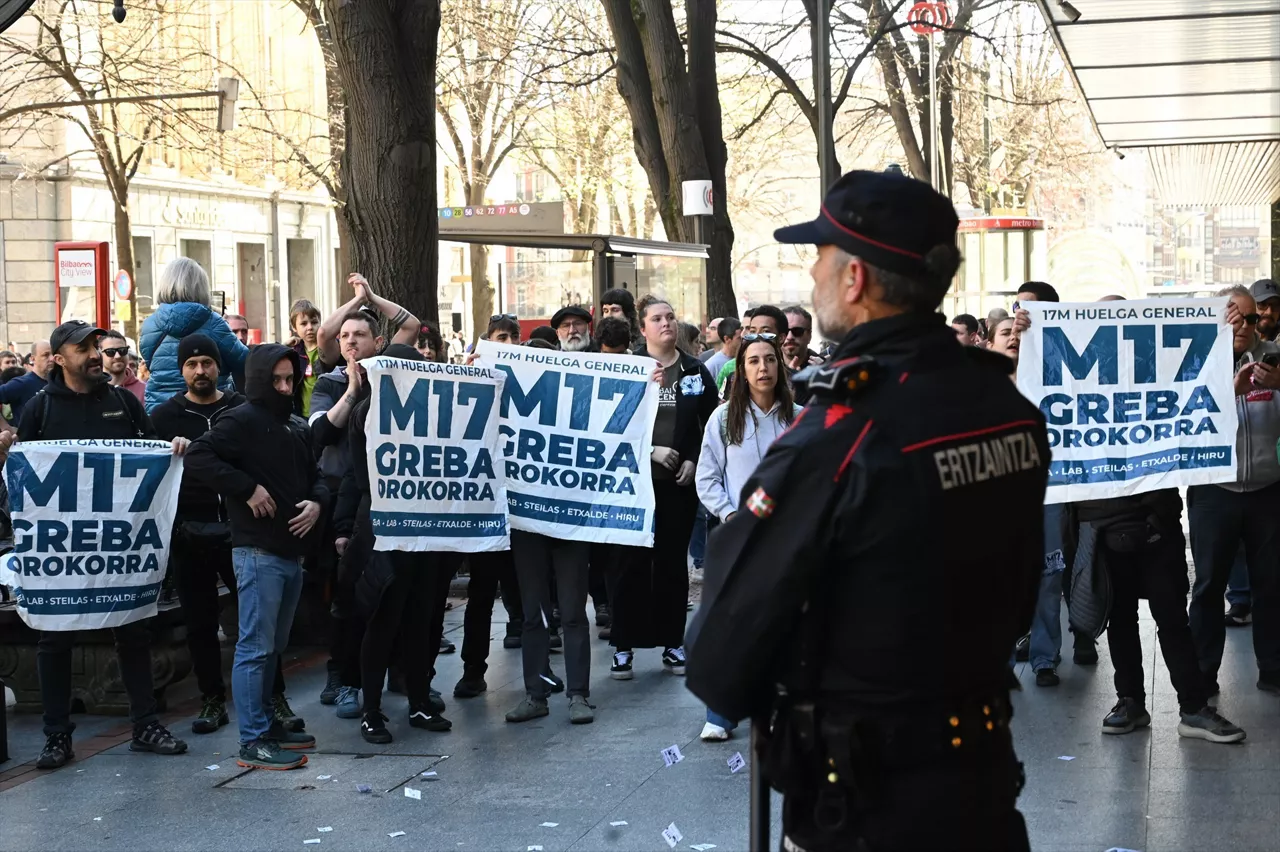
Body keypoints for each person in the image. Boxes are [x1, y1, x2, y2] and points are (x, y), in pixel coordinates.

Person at [687, 169, 1048, 852]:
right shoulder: (1005, 407)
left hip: (870, 800)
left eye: (822, 255)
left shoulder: (844, 435)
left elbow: (718, 655)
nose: (813, 271)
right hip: (982, 775)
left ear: (854, 279)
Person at [1, 320, 190, 769]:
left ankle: (145, 724)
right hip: (65, 549)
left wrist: (173, 451)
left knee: (132, 628)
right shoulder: (40, 409)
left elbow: (150, 457)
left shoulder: (123, 402)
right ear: (59, 358)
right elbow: (26, 481)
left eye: (96, 345)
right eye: (82, 347)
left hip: (116, 547)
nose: (94, 353)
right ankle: (56, 736)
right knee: (54, 637)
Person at [185, 344, 328, 770]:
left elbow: (315, 476)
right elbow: (198, 455)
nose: (284, 388)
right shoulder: (241, 420)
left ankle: (266, 724)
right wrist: (246, 488)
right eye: (276, 381)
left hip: (289, 553)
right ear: (259, 380)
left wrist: (317, 503)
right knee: (255, 647)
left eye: (290, 379)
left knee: (273, 646)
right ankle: (253, 738)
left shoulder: (295, 425)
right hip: (257, 551)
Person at [151, 334, 295, 735]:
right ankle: (212, 698)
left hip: (241, 532)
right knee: (199, 623)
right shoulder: (164, 417)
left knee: (259, 622)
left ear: (219, 367)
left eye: (207, 363)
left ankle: (274, 696)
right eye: (192, 364)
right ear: (181, 369)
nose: (200, 371)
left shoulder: (241, 409)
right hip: (190, 533)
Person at [694, 332, 799, 741]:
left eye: (769, 360)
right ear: (741, 369)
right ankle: (719, 715)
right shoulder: (722, 420)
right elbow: (707, 478)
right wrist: (730, 513)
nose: (762, 368)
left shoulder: (800, 417)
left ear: (780, 365)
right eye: (753, 361)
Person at [346, 344, 453, 742]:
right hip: (387, 535)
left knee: (421, 623)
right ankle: (371, 711)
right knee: (383, 623)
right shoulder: (366, 413)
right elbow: (363, 481)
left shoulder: (428, 414)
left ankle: (420, 703)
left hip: (426, 536)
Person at [611, 298, 716, 681]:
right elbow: (612, 424)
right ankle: (623, 646)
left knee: (672, 564)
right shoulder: (630, 368)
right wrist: (650, 450)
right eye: (656, 318)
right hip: (634, 485)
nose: (666, 323)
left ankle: (673, 643)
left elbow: (712, 425)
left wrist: (692, 458)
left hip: (677, 487)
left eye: (670, 316)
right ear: (642, 329)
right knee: (629, 565)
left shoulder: (695, 371)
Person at [1186, 286, 1280, 697]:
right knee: (1208, 586)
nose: (1242, 324)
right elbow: (1178, 415)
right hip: (1214, 491)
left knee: (1272, 584)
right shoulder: (1194, 361)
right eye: (1232, 316)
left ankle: (1273, 668)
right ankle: (1203, 674)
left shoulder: (1275, 356)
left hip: (1269, 489)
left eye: (1249, 316)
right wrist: (1228, 391)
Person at [140, 257, 249, 412]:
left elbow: (150, 364)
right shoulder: (214, 322)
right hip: (211, 410)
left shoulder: (149, 325)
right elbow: (243, 361)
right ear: (201, 287)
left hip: (161, 410)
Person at [315, 272, 419, 367]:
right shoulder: (335, 363)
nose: (351, 341)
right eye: (345, 335)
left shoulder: (387, 362)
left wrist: (372, 296)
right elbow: (323, 334)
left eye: (359, 334)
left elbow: (412, 326)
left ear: (377, 342)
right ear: (340, 341)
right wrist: (359, 299)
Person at [716, 305, 788, 397]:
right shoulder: (732, 378)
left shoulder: (797, 382)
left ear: (781, 338)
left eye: (765, 331)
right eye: (753, 331)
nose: (757, 337)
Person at [287, 299, 327, 418]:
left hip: (325, 411)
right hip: (303, 413)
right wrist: (284, 345)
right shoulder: (296, 351)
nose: (310, 327)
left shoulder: (327, 348)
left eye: (314, 322)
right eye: (303, 324)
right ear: (294, 327)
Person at [0, 340, 52, 424]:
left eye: (54, 354)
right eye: (46, 355)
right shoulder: (21, 383)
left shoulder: (59, 382)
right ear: (33, 359)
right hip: (28, 436)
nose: (52, 359)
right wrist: (6, 427)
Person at [99, 329, 147, 403]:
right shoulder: (91, 389)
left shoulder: (145, 390)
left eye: (122, 350)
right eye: (110, 352)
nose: (118, 356)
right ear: (99, 355)